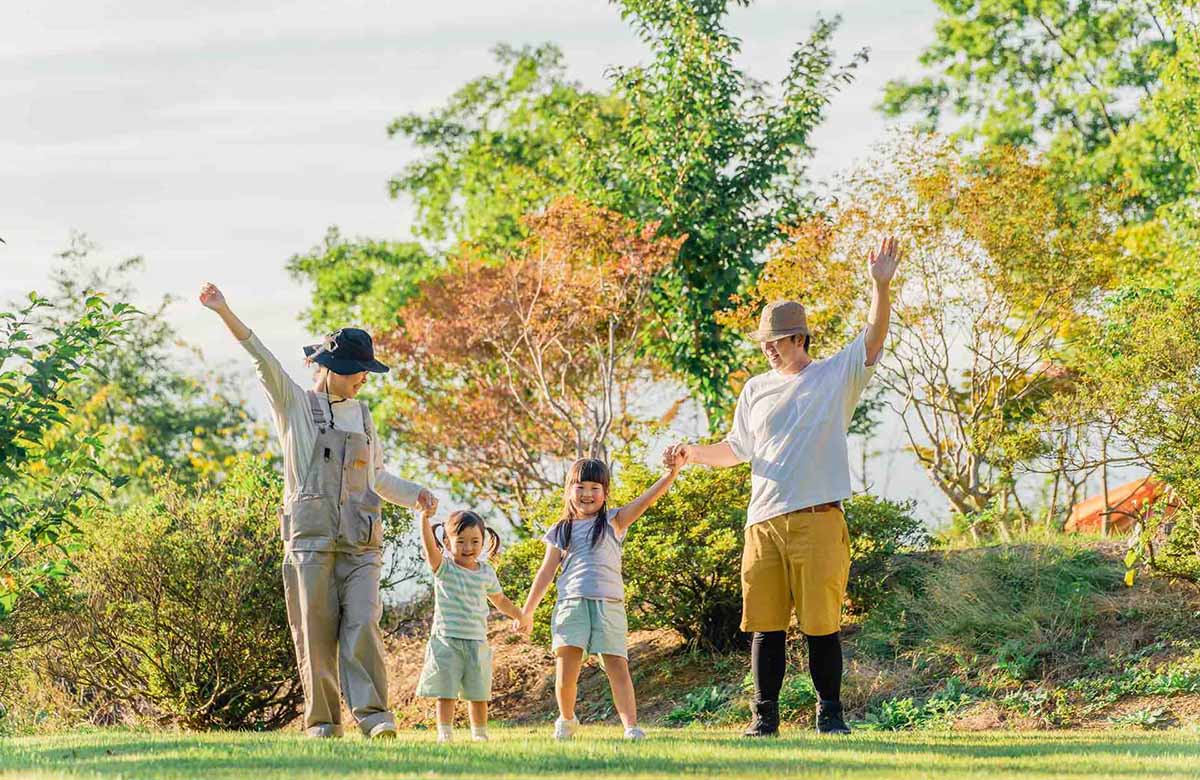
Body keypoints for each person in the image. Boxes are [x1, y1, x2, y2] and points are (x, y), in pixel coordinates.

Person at [665, 237, 901, 737]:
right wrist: (692, 455)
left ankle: (830, 716)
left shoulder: (836, 375)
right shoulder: (755, 388)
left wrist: (880, 285)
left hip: (818, 518)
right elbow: (737, 449)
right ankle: (763, 718)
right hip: (763, 523)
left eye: (777, 340)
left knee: (821, 625)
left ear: (800, 339)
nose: (769, 348)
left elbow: (875, 336)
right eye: (765, 342)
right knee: (765, 626)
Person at [199, 282, 437, 739]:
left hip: (361, 542)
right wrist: (223, 309)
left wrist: (417, 493)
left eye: (366, 372)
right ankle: (324, 723)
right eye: (357, 371)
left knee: (364, 622)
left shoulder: (363, 416)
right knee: (314, 633)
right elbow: (262, 359)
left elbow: (377, 479)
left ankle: (375, 716)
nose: (363, 378)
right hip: (310, 540)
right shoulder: (296, 407)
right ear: (331, 368)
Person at [518, 455, 681, 741]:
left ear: (605, 493)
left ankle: (631, 727)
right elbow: (545, 573)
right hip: (571, 604)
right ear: (569, 490)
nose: (587, 494)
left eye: (595, 487)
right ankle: (566, 719)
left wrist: (671, 474)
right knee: (566, 672)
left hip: (609, 605)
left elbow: (646, 500)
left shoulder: (613, 520)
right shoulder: (560, 529)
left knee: (617, 666)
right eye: (580, 487)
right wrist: (527, 612)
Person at [415, 507, 525, 742]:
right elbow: (428, 547)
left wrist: (520, 615)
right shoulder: (444, 568)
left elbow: (500, 600)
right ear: (446, 541)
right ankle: (444, 733)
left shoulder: (486, 572)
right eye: (461, 541)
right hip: (447, 641)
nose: (468, 547)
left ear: (484, 542)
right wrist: (424, 518)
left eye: (475, 541)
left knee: (478, 693)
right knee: (446, 693)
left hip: (477, 642)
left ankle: (480, 734)